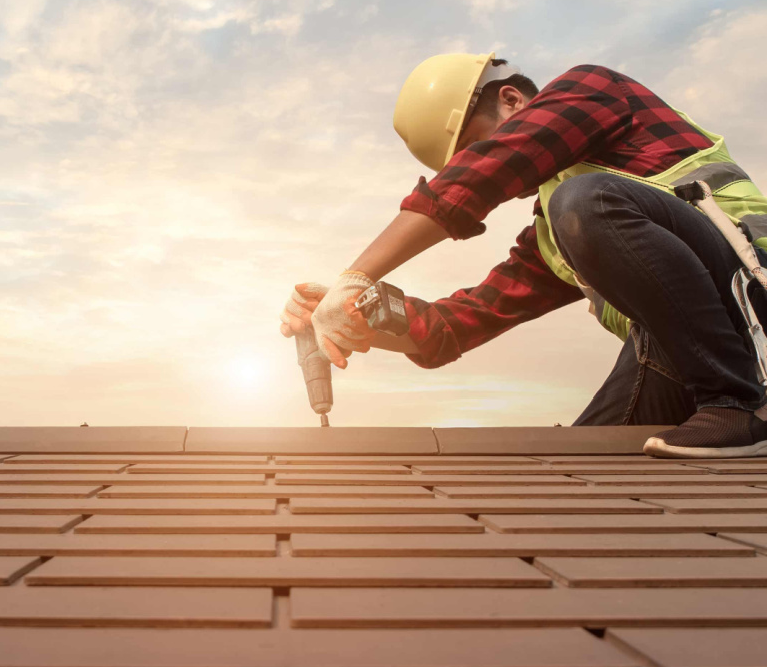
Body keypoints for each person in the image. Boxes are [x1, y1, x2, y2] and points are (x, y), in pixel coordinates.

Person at [279, 54, 767, 458]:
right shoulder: (561, 233)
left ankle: (735, 404)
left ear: (511, 98)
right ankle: (725, 407)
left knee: (585, 201)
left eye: (479, 146)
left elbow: (495, 167)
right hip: (684, 353)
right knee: (583, 470)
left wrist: (356, 274)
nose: (483, 162)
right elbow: (462, 323)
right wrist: (358, 317)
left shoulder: (592, 92)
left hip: (752, 296)